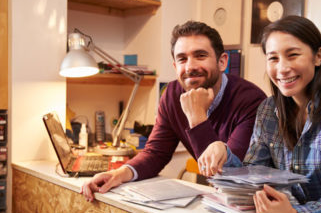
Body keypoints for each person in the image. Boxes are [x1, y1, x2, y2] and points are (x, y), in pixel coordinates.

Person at [197, 15, 321, 213]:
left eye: (292, 55)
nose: (282, 68)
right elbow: (254, 176)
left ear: (318, 56)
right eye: (273, 58)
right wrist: (223, 151)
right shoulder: (267, 109)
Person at [81, 21, 266, 201]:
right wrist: (119, 174)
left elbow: (228, 178)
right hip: (218, 203)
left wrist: (197, 119)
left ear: (222, 61)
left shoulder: (251, 101)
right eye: (182, 59)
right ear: (175, 66)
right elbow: (156, 153)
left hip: (252, 203)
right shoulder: (171, 94)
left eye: (200, 55)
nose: (190, 67)